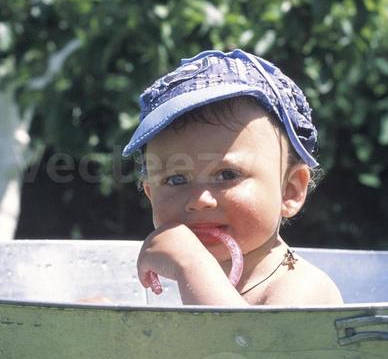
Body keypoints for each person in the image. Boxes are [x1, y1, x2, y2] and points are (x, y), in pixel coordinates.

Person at [123, 48, 344, 306]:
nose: (200, 200)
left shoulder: (301, 288)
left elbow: (239, 343)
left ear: (290, 191)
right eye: (175, 180)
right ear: (150, 194)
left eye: (227, 174)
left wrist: (192, 264)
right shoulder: (173, 280)